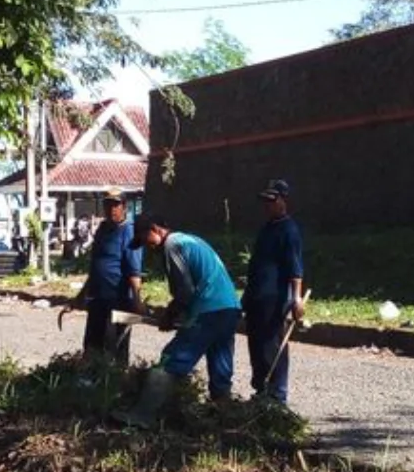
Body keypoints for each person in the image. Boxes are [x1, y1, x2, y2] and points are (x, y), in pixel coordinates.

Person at [114, 214, 240, 428]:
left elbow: (185, 292)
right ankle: (225, 421)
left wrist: (169, 315)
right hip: (229, 308)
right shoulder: (190, 240)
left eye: (145, 240)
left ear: (155, 229)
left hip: (208, 311)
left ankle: (144, 415)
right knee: (220, 366)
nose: (147, 247)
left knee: (171, 359)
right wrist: (178, 315)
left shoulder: (172, 245)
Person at [242, 180, 306, 404]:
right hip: (256, 296)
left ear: (283, 201)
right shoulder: (267, 228)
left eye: (272, 201)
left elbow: (295, 268)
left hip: (275, 298)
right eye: (265, 202)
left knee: (272, 345)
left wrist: (297, 299)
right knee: (256, 344)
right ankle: (261, 390)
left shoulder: (289, 230)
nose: (267, 206)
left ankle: (277, 395)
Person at [69, 189, 143, 364]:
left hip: (120, 299)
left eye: (116, 205)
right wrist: (81, 296)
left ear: (124, 207)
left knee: (117, 346)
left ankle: (117, 384)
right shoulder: (103, 229)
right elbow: (96, 266)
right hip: (98, 298)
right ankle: (92, 381)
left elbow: (134, 271)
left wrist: (138, 301)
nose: (112, 209)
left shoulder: (130, 232)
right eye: (108, 204)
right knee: (93, 343)